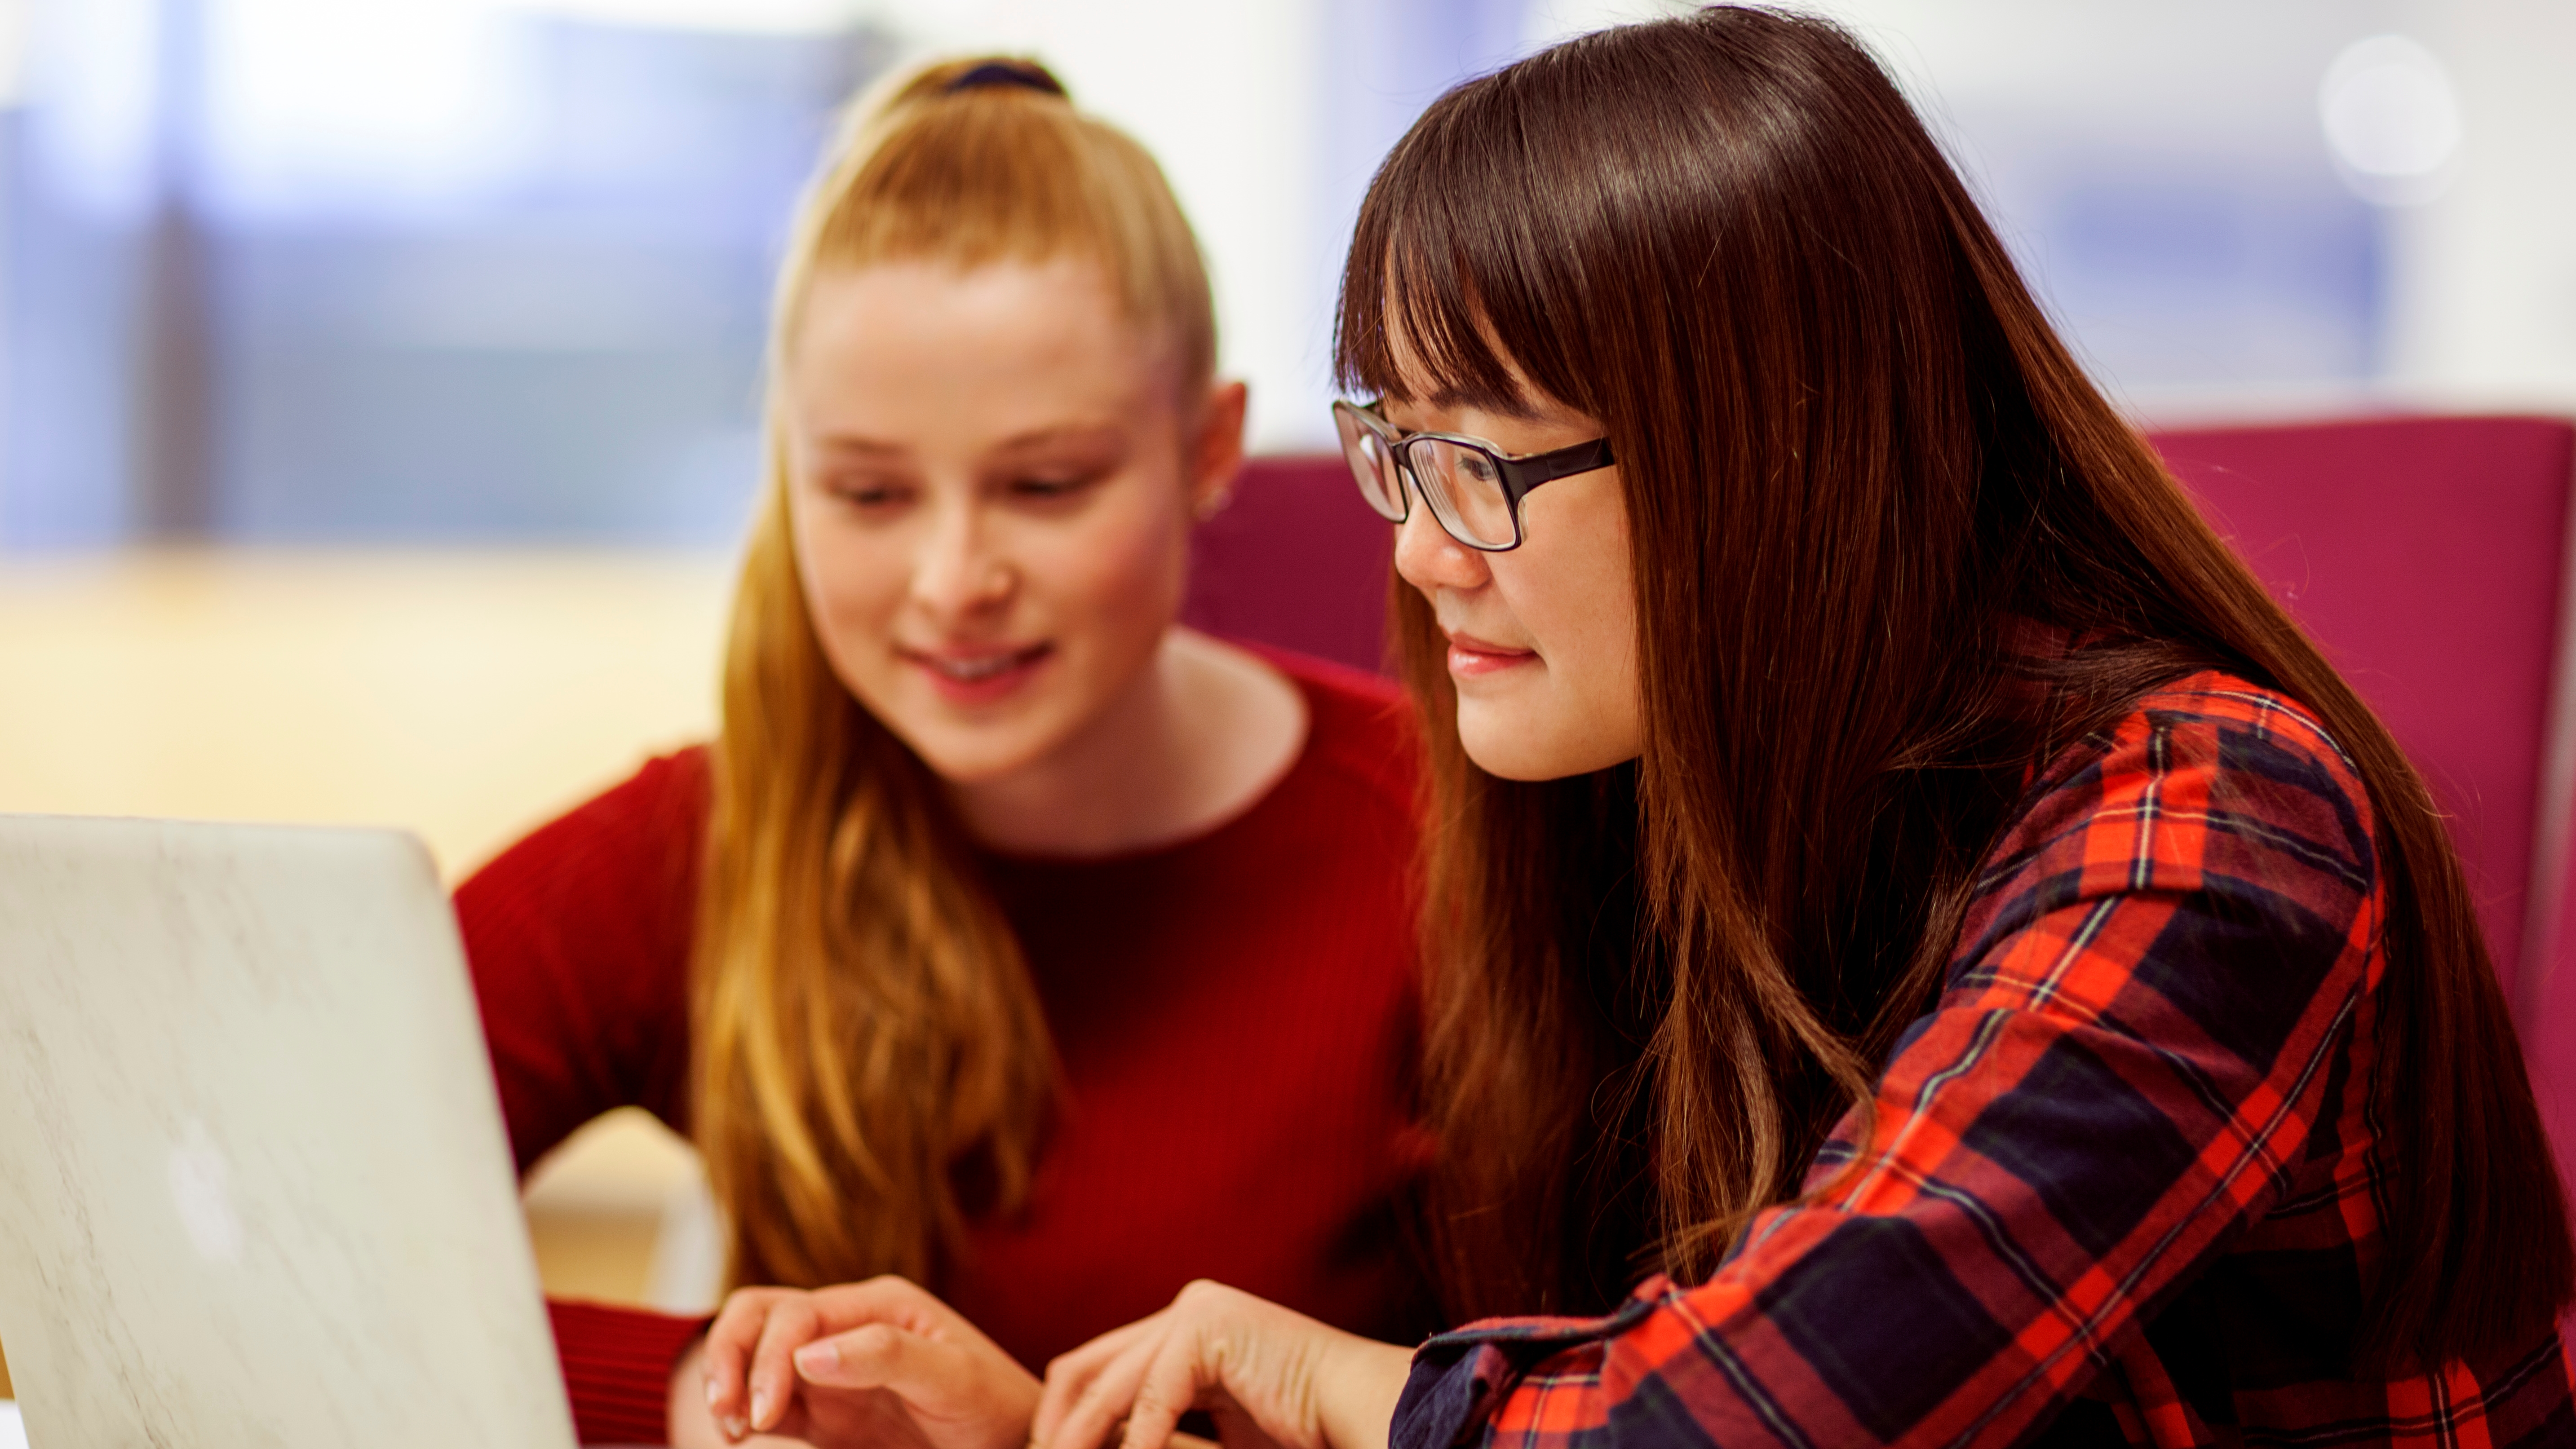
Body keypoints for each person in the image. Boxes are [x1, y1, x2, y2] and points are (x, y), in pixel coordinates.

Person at [714, 10, 2576, 1449]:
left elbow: (1730, 1423)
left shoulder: (2210, 826)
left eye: (1482, 464)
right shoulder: (1672, 805)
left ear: (1769, 459)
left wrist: (1309, 1374)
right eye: (1395, 449)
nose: (1424, 552)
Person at [456, 56, 1434, 1447]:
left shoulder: (1442, 843)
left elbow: (1626, 1400)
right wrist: (719, 1395)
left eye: (1046, 485)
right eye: (867, 492)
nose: (951, 578)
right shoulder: (712, 835)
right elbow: (249, 1223)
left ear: (1207, 447)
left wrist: (1022, 1430)